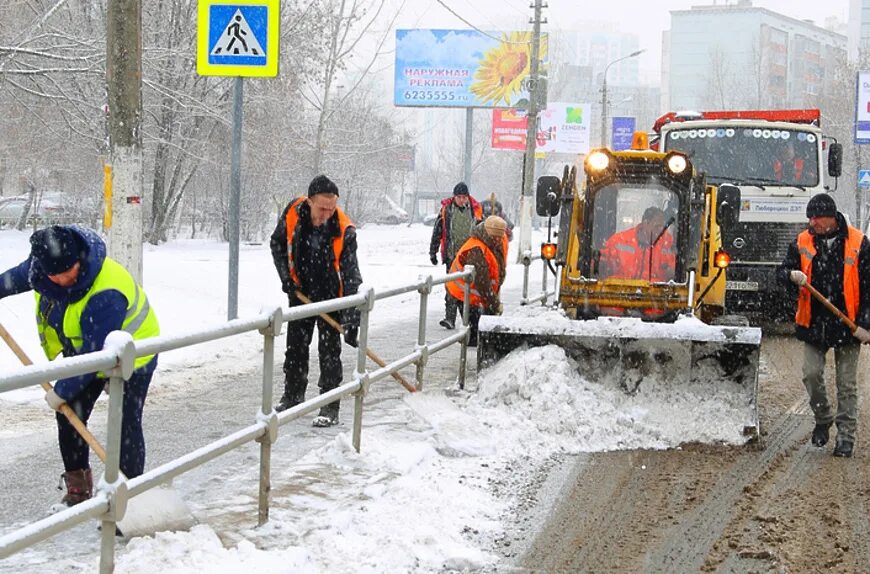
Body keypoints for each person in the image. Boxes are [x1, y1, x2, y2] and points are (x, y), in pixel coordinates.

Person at [0, 225, 159, 507]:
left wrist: (61, 390)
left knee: (124, 423)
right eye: (55, 274)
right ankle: (78, 490)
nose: (63, 278)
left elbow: (93, 357)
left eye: (69, 269)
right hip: (87, 352)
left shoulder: (106, 291)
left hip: (133, 353)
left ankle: (130, 497)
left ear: (79, 258)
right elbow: (12, 280)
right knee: (68, 414)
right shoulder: (41, 269)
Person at [778, 193, 870, 458]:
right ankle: (823, 417)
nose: (812, 222)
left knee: (847, 385)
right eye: (810, 218)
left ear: (831, 217)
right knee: (811, 373)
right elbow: (781, 274)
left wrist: (865, 324)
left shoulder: (859, 244)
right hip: (815, 322)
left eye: (816, 217)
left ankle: (846, 437)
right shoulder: (802, 242)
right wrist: (790, 275)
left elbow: (868, 289)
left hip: (848, 325)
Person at [269, 175, 363, 426]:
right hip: (300, 293)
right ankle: (292, 396)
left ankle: (329, 406)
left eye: (331, 209)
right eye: (322, 208)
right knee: (296, 347)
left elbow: (352, 276)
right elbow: (277, 243)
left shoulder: (344, 229)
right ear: (309, 201)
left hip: (331, 297)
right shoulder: (292, 213)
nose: (326, 214)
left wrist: (352, 318)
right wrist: (286, 278)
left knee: (330, 352)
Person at [445, 216, 509, 347]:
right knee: (474, 334)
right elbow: (482, 283)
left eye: (500, 238)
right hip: (463, 292)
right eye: (495, 238)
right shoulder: (476, 250)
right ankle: (470, 347)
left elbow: (498, 268)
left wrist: (493, 302)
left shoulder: (495, 243)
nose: (498, 241)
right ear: (488, 234)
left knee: (485, 328)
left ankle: (482, 342)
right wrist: (495, 304)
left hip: (477, 292)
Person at [429, 182, 483, 330]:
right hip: (452, 255)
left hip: (470, 256)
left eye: (464, 197)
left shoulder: (475, 210)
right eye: (459, 197)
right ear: (454, 197)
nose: (462, 200)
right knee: (452, 286)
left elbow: (482, 231)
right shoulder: (447, 210)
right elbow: (437, 231)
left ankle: (471, 318)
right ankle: (450, 318)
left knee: (469, 287)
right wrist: (433, 251)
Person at [599, 206, 675, 281]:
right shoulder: (617, 241)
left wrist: (671, 271)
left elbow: (675, 272)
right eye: (657, 226)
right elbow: (599, 269)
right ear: (645, 223)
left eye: (663, 227)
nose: (661, 230)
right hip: (620, 290)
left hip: (655, 292)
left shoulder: (668, 243)